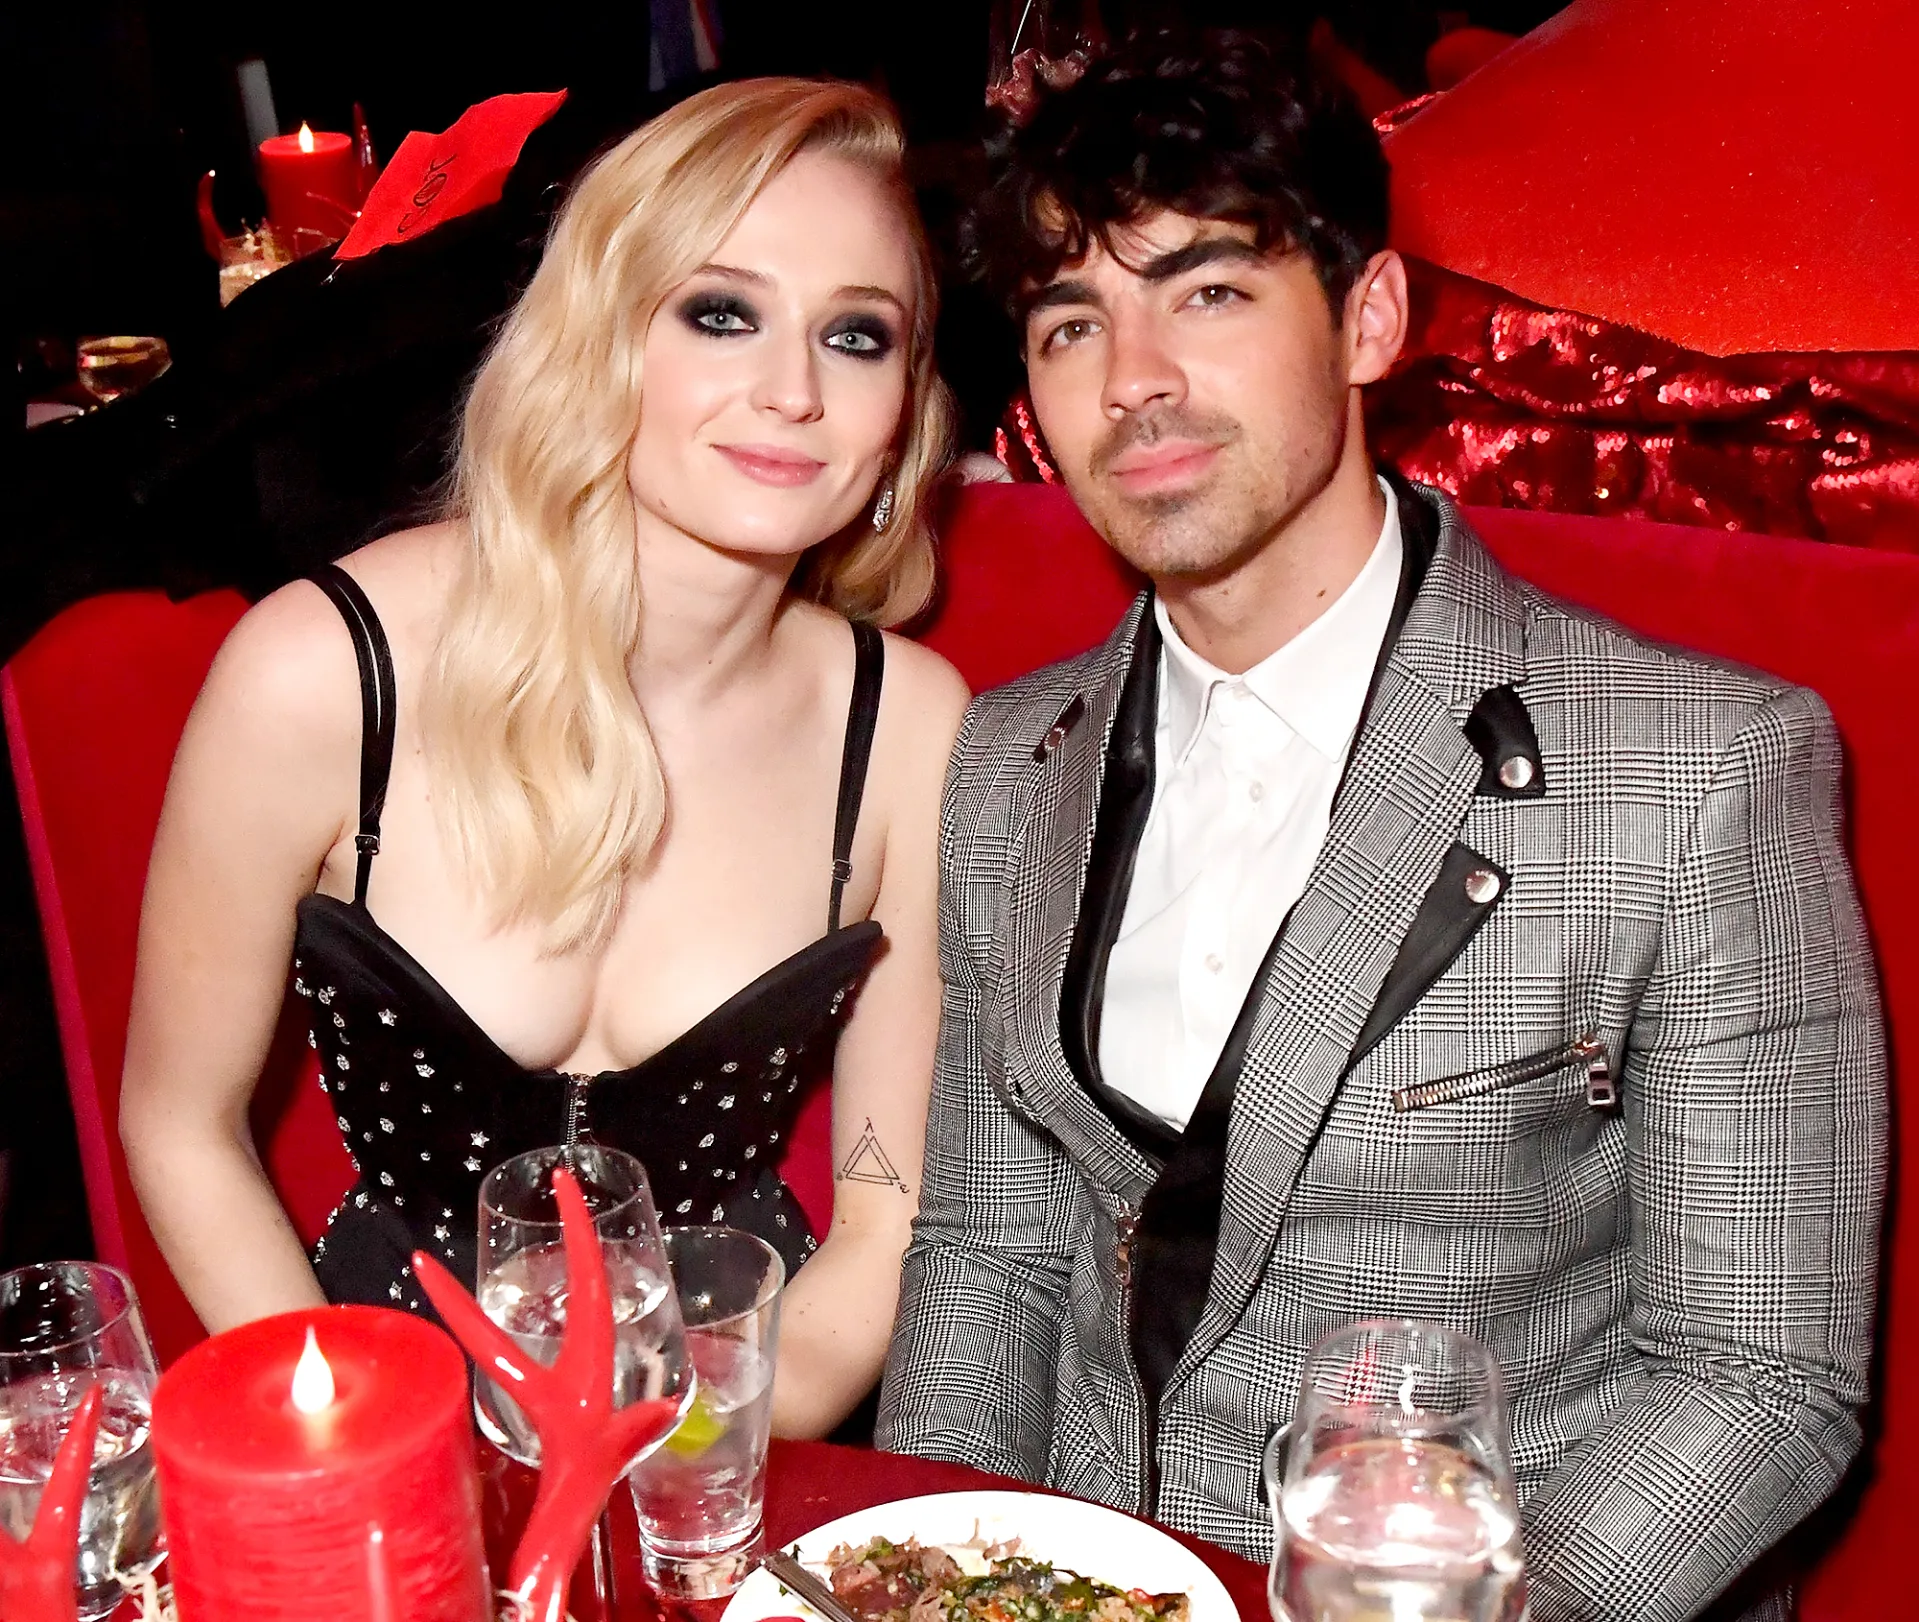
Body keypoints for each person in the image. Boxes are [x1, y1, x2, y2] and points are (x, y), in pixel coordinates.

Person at [876, 29, 1886, 1619]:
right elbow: (988, 1254)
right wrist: (934, 1579)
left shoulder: (1698, 769)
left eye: (1208, 291)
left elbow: (1755, 1375)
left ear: (1368, 318)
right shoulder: (1006, 760)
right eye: (1072, 321)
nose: (1131, 378)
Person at [120, 77, 968, 1439]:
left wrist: (706, 1449)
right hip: (378, 1404)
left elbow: (885, 1204)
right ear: (597, 336)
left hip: (737, 1414)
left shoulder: (910, 728)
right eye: (721, 312)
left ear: (903, 409)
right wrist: (368, 1443)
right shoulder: (325, 671)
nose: (793, 391)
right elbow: (180, 1126)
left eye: (856, 335)